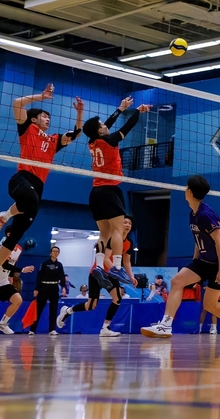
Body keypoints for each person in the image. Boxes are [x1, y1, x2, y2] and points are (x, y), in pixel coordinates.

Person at [0, 83, 83, 286]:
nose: (48, 119)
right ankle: (4, 215)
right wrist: (42, 96)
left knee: (16, 235)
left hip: (38, 187)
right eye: (44, 116)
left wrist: (79, 113)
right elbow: (17, 103)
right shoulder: (27, 128)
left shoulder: (54, 140)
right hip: (22, 179)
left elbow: (76, 134)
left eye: (49, 117)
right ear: (34, 119)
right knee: (31, 200)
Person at [141, 175, 220, 340]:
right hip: (203, 261)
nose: (185, 190)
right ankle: (166, 325)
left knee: (210, 304)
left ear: (189, 191)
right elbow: (199, 239)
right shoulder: (193, 213)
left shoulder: (205, 214)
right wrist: (194, 262)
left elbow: (219, 242)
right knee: (177, 281)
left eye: (186, 188)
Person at [82, 97, 150, 290]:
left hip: (95, 192)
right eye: (101, 124)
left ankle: (99, 265)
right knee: (118, 230)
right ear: (99, 130)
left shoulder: (92, 142)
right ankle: (117, 267)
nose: (105, 125)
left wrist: (120, 109)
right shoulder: (110, 140)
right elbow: (128, 126)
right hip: (110, 190)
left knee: (104, 233)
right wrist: (137, 112)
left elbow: (106, 126)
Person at [57, 215, 136, 337]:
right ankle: (67, 311)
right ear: (119, 224)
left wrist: (131, 277)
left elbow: (126, 261)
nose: (127, 225)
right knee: (91, 305)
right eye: (125, 222)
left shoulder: (129, 243)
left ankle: (105, 328)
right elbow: (105, 259)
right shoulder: (112, 238)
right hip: (97, 273)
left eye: (129, 223)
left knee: (117, 299)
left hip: (111, 274)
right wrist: (117, 272)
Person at [30, 246, 66, 335]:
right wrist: (37, 288)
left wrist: (63, 287)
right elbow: (39, 276)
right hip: (44, 287)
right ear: (50, 253)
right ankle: (32, 329)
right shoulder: (45, 263)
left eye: (57, 251)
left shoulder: (59, 265)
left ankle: (52, 329)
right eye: (54, 251)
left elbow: (62, 276)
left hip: (54, 287)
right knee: (39, 309)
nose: (55, 253)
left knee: (53, 309)